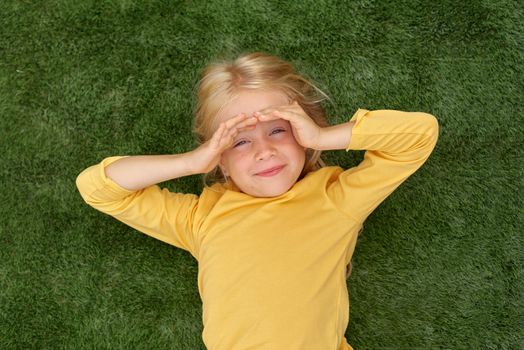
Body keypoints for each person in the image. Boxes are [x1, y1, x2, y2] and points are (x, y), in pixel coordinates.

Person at [76, 52, 439, 350]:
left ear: (301, 131)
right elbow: (98, 187)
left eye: (278, 129)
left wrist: (322, 136)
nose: (265, 152)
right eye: (239, 140)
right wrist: (192, 161)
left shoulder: (335, 197)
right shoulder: (201, 217)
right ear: (220, 157)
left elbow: (419, 135)